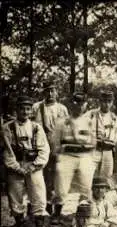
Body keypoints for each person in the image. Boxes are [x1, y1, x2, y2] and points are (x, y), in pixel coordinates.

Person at [3, 96, 50, 227]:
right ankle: (19, 225)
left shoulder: (36, 127)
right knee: (15, 197)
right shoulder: (7, 128)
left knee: (38, 195)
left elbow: (44, 149)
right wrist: (17, 167)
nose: (25, 111)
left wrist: (35, 165)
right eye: (22, 108)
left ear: (31, 111)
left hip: (33, 165)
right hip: (16, 166)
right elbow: (6, 152)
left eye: (28, 109)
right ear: (16, 110)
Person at [52, 92, 96, 224]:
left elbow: (94, 142)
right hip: (67, 156)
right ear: (71, 104)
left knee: (86, 186)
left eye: (82, 103)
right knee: (61, 186)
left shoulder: (89, 122)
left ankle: (83, 214)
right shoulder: (62, 122)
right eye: (76, 103)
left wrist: (88, 154)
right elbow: (55, 143)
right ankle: (57, 213)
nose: (79, 106)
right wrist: (58, 156)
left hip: (84, 156)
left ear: (85, 105)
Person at [32, 80, 69, 217]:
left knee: (59, 179)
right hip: (41, 148)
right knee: (42, 178)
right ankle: (45, 207)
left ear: (57, 92)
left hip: (58, 148)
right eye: (47, 90)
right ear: (43, 92)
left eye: (53, 90)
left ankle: (58, 211)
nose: (50, 93)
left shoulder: (62, 109)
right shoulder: (36, 107)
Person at [88, 90, 117, 185]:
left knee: (106, 178)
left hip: (108, 152)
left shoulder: (114, 118)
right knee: (89, 176)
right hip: (94, 150)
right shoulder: (91, 114)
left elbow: (116, 138)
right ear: (100, 102)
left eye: (109, 101)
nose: (106, 104)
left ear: (112, 102)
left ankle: (104, 198)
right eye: (104, 101)